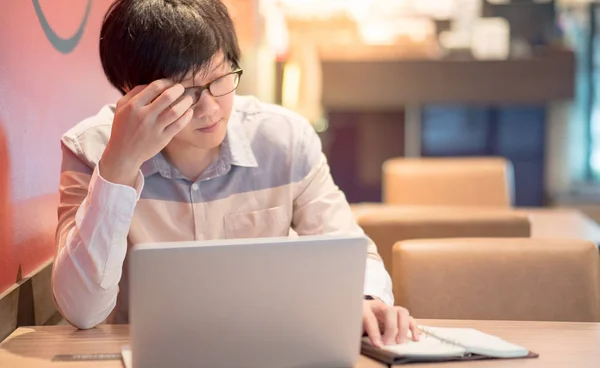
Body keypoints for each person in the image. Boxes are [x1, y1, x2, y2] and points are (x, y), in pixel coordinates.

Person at [52, 0, 420, 348]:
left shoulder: (284, 139)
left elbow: (347, 249)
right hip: (145, 367)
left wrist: (364, 298)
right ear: (134, 95)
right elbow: (83, 311)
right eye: (185, 93)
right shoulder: (92, 149)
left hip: (268, 353)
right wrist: (119, 166)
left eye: (219, 79)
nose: (210, 108)